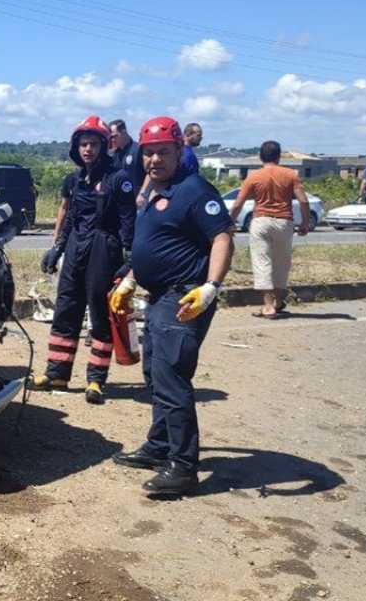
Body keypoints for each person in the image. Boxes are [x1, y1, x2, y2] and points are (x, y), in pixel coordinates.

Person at [108, 116, 233, 496]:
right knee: (155, 372)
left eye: (163, 152)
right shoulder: (156, 191)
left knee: (171, 376)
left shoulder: (194, 190)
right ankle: (159, 446)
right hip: (158, 294)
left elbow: (223, 238)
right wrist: (131, 278)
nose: (155, 160)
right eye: (148, 153)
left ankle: (182, 466)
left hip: (184, 297)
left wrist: (211, 286)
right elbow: (155, 242)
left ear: (181, 150)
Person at [35, 116, 136, 404]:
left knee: (100, 314)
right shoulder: (75, 180)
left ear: (104, 146)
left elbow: (129, 220)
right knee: (66, 308)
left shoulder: (119, 180)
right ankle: (57, 374)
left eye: (93, 144)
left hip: (105, 248)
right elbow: (70, 219)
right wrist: (57, 248)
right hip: (76, 248)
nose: (87, 149)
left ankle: (95, 381)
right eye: (83, 144)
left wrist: (128, 256)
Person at [228, 141, 309, 319]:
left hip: (261, 220)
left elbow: (238, 203)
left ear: (260, 157)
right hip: (284, 221)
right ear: (279, 156)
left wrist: (231, 223)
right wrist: (304, 223)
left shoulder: (254, 176)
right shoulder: (290, 175)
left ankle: (267, 306)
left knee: (261, 262)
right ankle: (278, 301)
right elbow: (303, 201)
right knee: (281, 263)